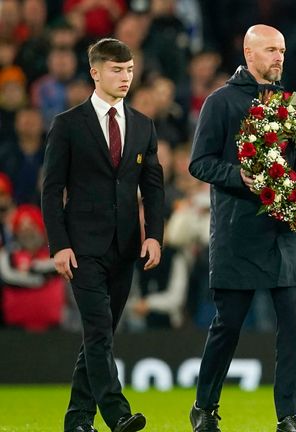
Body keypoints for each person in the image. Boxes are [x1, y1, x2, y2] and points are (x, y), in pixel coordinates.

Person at [187, 25, 296, 432]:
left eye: (283, 50)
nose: (279, 57)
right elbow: (199, 162)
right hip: (238, 231)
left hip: (286, 235)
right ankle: (204, 408)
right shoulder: (221, 102)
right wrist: (241, 175)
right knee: (228, 325)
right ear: (248, 52)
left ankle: (291, 417)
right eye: (271, 50)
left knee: (293, 326)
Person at [41, 38, 164, 432]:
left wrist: (154, 235)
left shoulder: (144, 125)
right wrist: (59, 244)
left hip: (126, 247)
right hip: (81, 248)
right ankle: (118, 414)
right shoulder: (68, 124)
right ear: (95, 72)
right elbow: (51, 189)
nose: (125, 77)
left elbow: (154, 187)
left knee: (101, 336)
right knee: (98, 331)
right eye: (116, 69)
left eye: (128, 70)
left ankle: (77, 419)